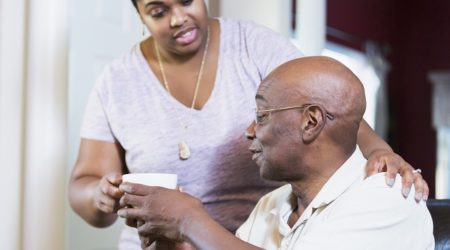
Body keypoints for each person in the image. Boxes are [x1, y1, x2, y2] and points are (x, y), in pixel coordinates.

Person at [68, 0, 428, 249]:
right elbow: (84, 182)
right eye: (158, 11)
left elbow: (324, 98)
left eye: (186, 1)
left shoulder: (253, 46)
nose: (177, 18)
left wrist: (382, 152)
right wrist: (109, 198)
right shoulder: (116, 80)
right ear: (139, 15)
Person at [117, 56, 434, 250]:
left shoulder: (387, 198)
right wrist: (172, 244)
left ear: (310, 122)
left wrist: (189, 219)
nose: (249, 131)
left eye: (262, 115)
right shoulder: (273, 204)